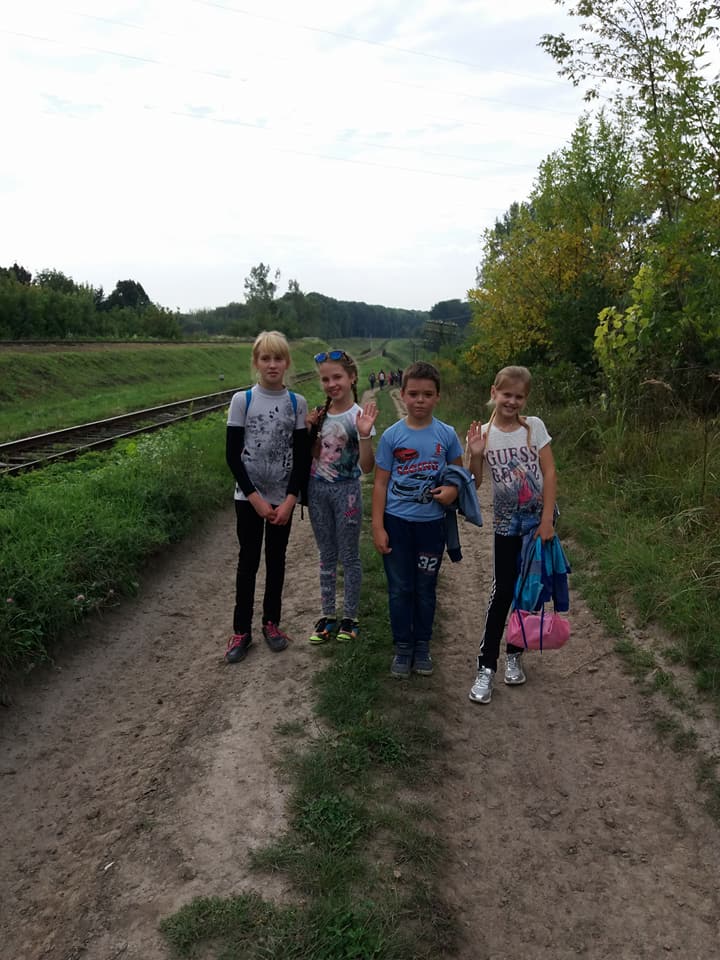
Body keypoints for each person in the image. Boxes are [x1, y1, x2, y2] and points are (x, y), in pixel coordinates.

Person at [465, 365, 557, 703]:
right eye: (507, 394)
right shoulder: (483, 434)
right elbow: (474, 483)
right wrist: (475, 455)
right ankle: (486, 667)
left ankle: (515, 653)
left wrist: (547, 520)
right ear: (494, 393)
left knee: (528, 592)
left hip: (537, 525)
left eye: (519, 396)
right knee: (503, 591)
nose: (512, 401)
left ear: (525, 399)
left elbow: (549, 472)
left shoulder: (534, 427)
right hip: (506, 526)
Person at [372, 361, 463, 678]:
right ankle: (403, 646)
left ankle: (422, 644)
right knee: (400, 588)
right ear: (402, 394)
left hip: (431, 527)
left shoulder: (447, 435)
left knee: (425, 588)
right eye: (413, 394)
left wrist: (452, 490)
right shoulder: (392, 436)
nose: (419, 400)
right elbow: (380, 483)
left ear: (438, 396)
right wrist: (378, 526)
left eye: (427, 394)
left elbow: (458, 475)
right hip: (396, 524)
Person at [224, 331, 310, 664]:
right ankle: (241, 630)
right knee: (248, 561)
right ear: (256, 363)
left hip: (282, 499)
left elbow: (301, 457)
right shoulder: (242, 400)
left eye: (278, 358)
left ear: (287, 363)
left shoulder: (297, 403)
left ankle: (271, 623)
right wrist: (255, 498)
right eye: (265, 358)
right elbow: (233, 456)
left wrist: (290, 500)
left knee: (276, 560)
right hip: (249, 498)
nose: (272, 365)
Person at [306, 349, 378, 644]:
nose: (331, 384)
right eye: (325, 379)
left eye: (337, 377)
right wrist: (310, 429)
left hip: (347, 493)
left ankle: (350, 617)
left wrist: (364, 434)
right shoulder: (320, 414)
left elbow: (367, 467)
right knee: (326, 555)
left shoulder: (359, 416)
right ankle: (327, 616)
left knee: (349, 556)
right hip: (317, 492)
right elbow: (314, 455)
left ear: (352, 378)